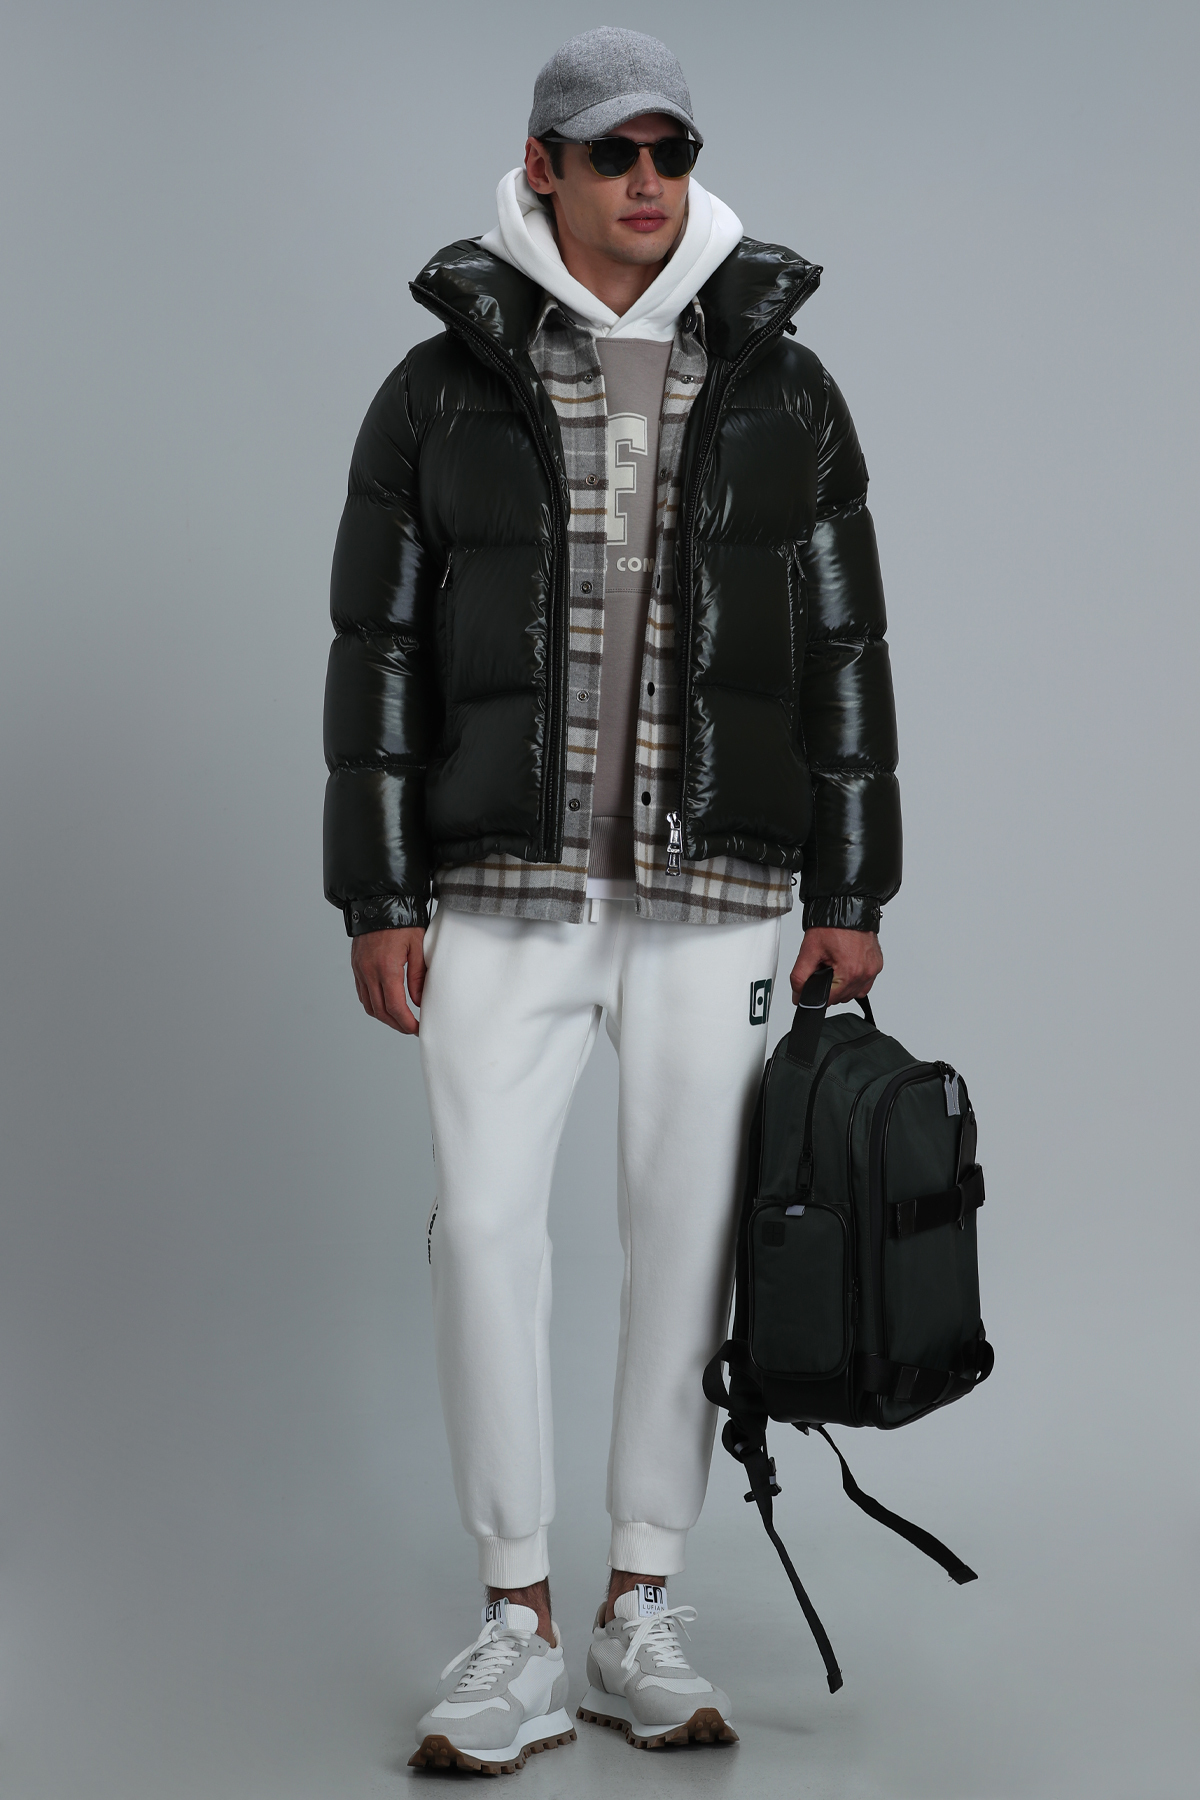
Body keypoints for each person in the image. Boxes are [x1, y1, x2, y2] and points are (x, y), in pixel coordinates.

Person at [322, 25, 901, 1774]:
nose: (647, 180)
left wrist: (855, 880)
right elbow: (379, 647)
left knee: (690, 1242)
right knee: (489, 1230)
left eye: (671, 150)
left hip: (721, 883)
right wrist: (375, 888)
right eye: (612, 152)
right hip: (502, 881)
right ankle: (514, 1624)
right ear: (544, 166)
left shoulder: (784, 383)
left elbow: (847, 648)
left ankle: (640, 1602)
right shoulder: (438, 388)